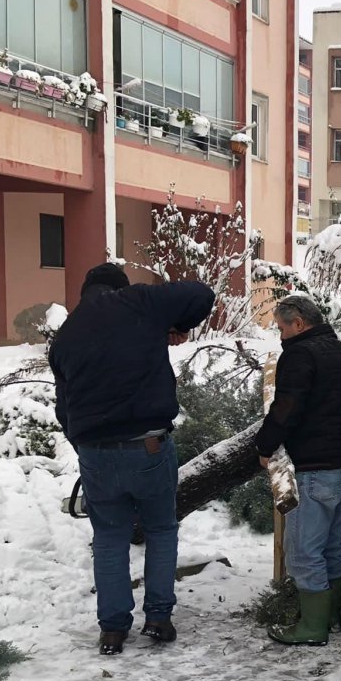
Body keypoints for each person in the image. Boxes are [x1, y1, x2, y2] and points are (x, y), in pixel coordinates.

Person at [49, 263, 215, 656]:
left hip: (95, 453)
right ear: (121, 288)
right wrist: (177, 322)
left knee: (108, 538)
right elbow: (202, 294)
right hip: (149, 447)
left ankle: (112, 629)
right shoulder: (138, 301)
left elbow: (64, 407)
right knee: (160, 529)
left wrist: (86, 446)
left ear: (85, 292)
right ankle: (157, 618)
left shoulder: (67, 335)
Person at [255, 295, 341, 646]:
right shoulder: (339, 352)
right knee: (331, 547)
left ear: (299, 323)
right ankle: (332, 617)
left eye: (282, 327)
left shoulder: (301, 354)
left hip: (316, 469)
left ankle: (312, 627)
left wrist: (265, 445)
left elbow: (287, 406)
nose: (280, 335)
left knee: (303, 551)